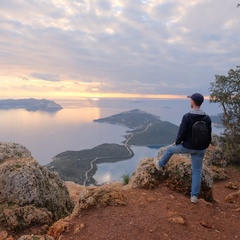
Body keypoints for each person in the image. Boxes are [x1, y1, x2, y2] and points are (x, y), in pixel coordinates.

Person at [153, 93, 212, 204]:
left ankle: (160, 165)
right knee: (197, 171)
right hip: (201, 149)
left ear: (193, 102)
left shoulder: (187, 117)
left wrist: (176, 143)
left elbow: (181, 133)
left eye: (191, 100)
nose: (190, 101)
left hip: (187, 147)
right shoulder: (207, 118)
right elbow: (209, 135)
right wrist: (204, 147)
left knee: (170, 150)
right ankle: (194, 197)